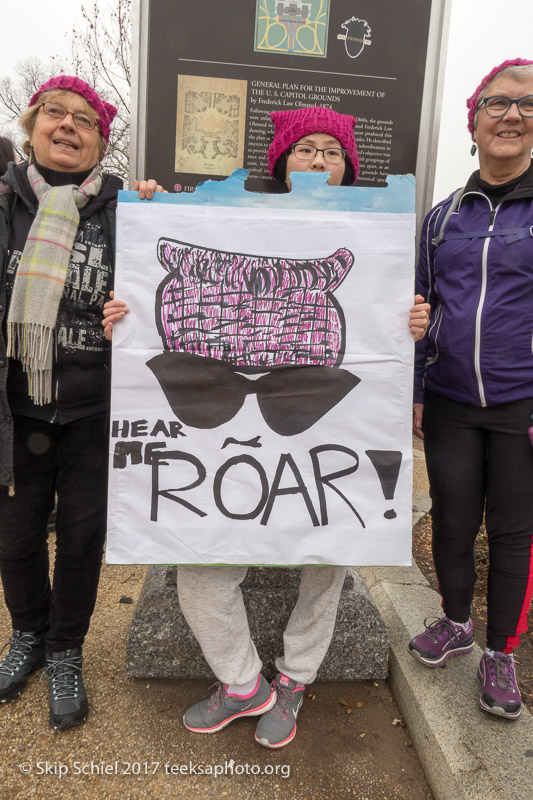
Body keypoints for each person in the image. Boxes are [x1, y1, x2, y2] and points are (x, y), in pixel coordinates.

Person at [103, 106, 430, 748]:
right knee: (199, 568)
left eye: (331, 152)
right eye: (305, 148)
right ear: (281, 162)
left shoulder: (380, 245)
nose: (317, 161)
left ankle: (296, 679)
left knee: (333, 554)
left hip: (323, 444)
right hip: (212, 450)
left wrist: (411, 323)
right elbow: (147, 280)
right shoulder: (217, 219)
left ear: (348, 167)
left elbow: (387, 338)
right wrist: (131, 307)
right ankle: (242, 682)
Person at [0, 75, 161, 730]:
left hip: (97, 407)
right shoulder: (5, 199)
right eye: (55, 115)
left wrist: (139, 299)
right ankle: (28, 637)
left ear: (101, 141)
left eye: (84, 120)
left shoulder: (129, 210)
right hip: (16, 408)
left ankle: (66, 649)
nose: (68, 126)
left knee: (82, 536)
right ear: (33, 127)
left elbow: (159, 299)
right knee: (14, 541)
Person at [409, 59, 533, 721]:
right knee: (452, 523)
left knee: (513, 535)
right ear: (475, 120)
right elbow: (420, 306)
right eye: (497, 103)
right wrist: (417, 391)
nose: (511, 115)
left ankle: (500, 653)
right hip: (451, 402)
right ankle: (455, 622)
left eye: (526, 105)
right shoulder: (440, 218)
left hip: (522, 407)